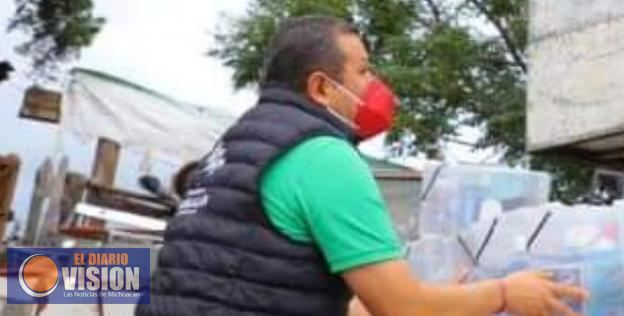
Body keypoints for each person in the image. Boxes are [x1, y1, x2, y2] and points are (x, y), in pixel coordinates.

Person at [140, 16, 586, 316]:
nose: (375, 85)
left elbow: (267, 287)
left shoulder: (237, 146)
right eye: (364, 71)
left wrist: (448, 298)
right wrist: (505, 293)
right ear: (321, 87)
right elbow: (402, 309)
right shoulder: (325, 157)